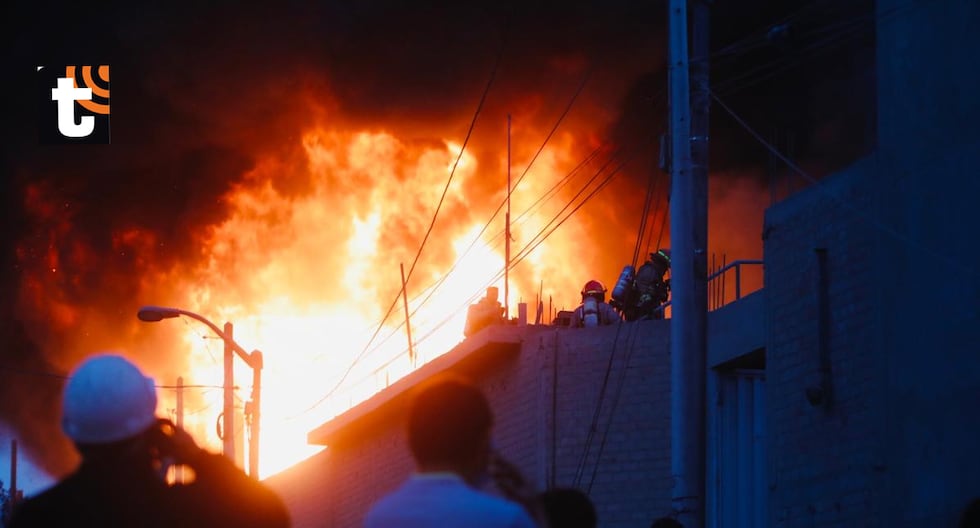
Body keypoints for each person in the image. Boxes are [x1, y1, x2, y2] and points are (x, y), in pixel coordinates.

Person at [8, 354, 290, 528]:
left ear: (75, 436)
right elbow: (271, 514)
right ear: (151, 429)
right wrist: (198, 457)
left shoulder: (40, 518)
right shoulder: (187, 511)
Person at [364, 374, 537, 528]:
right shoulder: (506, 519)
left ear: (411, 442)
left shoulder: (378, 519)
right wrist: (536, 513)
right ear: (483, 442)